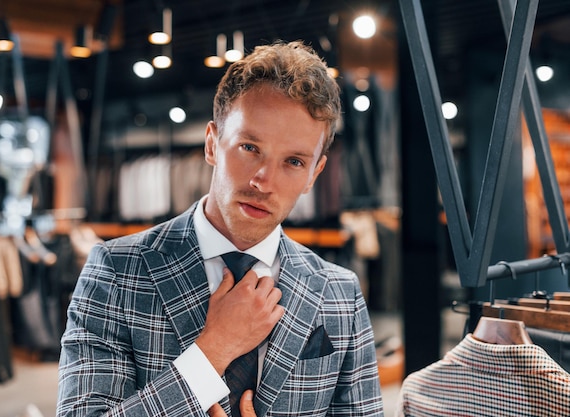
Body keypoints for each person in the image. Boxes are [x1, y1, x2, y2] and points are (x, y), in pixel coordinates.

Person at [57, 40, 383, 417]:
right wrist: (215, 348)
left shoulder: (339, 292)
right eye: (249, 147)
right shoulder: (116, 271)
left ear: (315, 175)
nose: (264, 181)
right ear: (212, 144)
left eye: (293, 161)